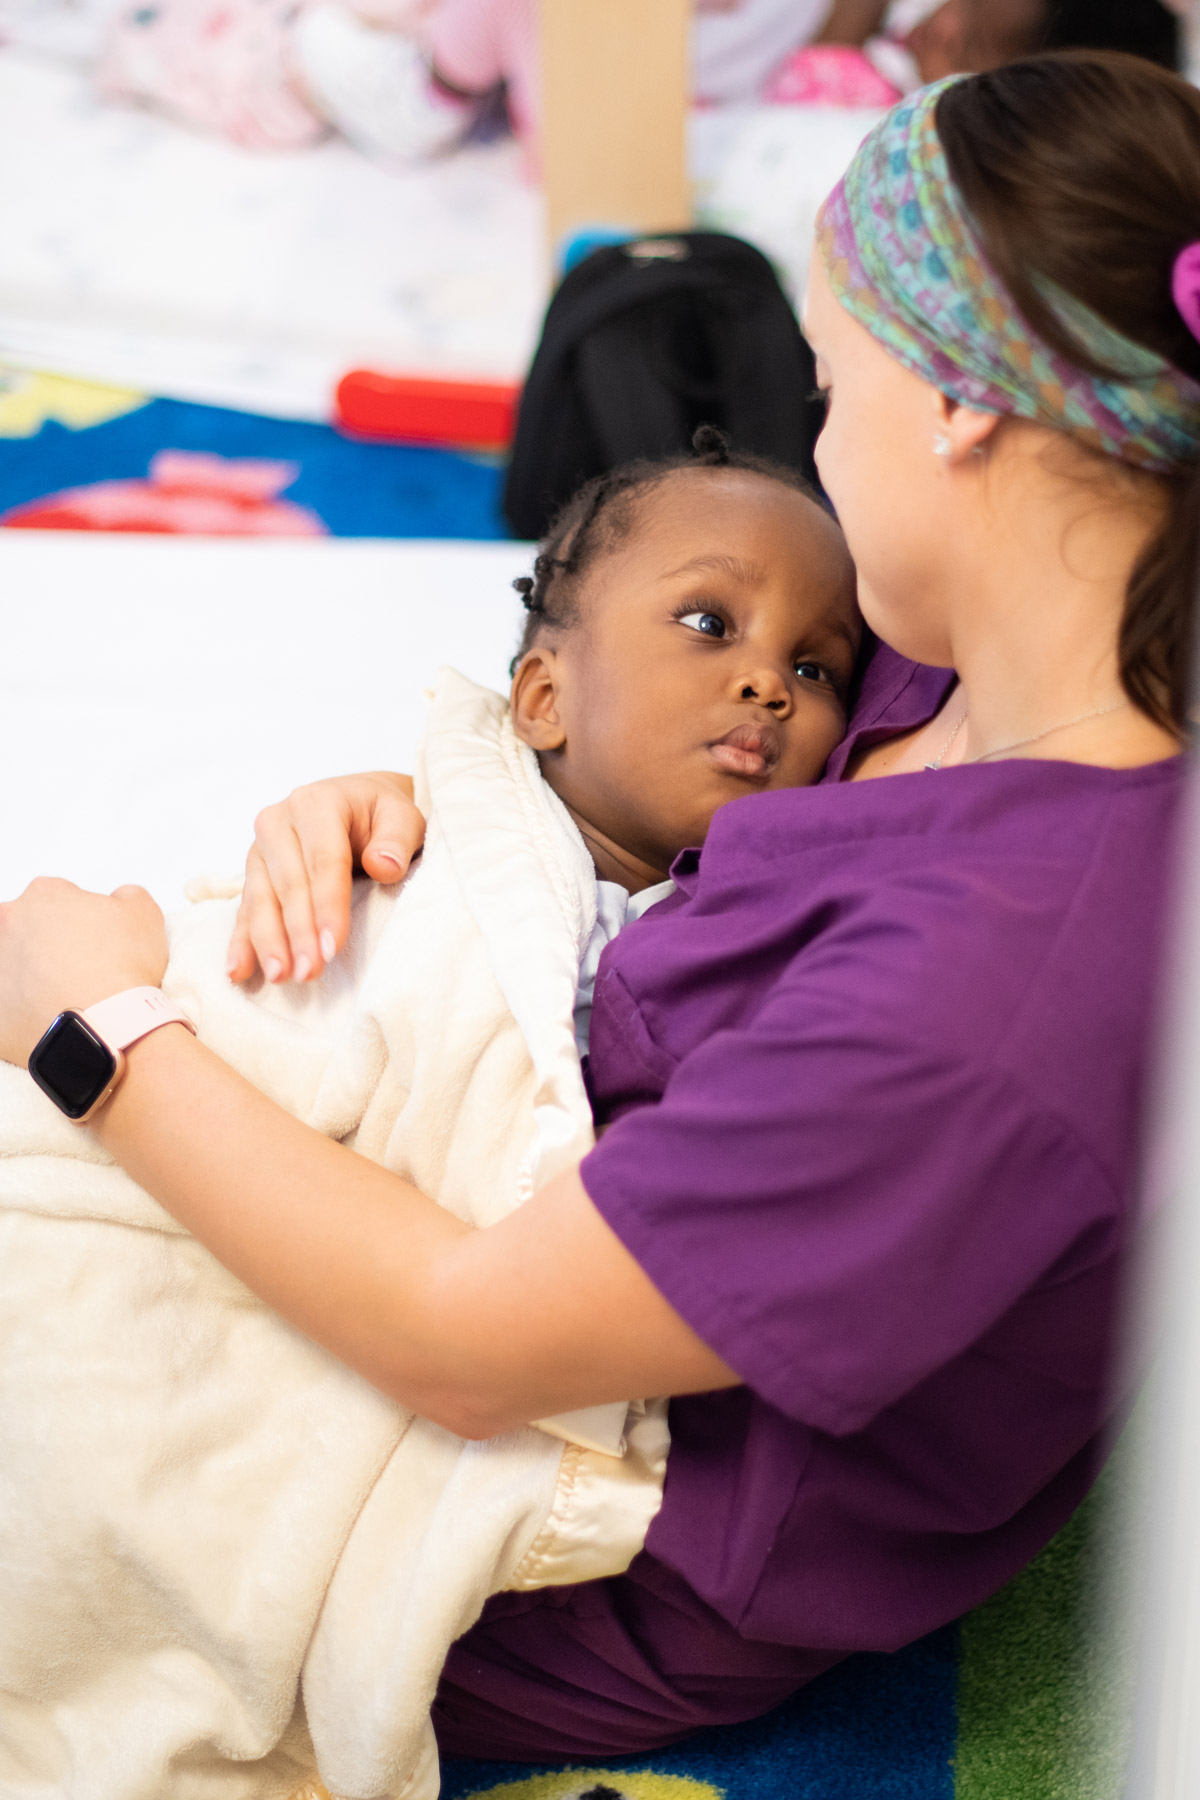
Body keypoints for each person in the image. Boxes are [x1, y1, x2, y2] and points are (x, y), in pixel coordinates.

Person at [1, 48, 1198, 1768]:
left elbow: (471, 1343)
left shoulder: (1004, 995)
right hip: (508, 1209)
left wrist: (96, 1030)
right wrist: (443, 821)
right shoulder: (951, 663)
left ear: (960, 407)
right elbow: (629, 829)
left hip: (591, 1502)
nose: (817, 436)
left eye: (830, 381)